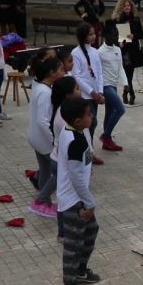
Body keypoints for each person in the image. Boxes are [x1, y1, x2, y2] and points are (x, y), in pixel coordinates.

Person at [58, 96, 101, 285]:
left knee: (91, 229)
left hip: (78, 197)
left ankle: (81, 271)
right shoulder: (75, 140)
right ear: (77, 120)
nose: (91, 116)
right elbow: (75, 177)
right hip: (73, 200)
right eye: (88, 114)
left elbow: (83, 158)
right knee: (72, 246)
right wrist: (88, 203)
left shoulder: (76, 132)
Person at [27, 56, 65, 218]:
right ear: (51, 73)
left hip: (35, 137)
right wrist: (54, 141)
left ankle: (45, 203)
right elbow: (43, 121)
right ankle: (40, 200)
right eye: (61, 71)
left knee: (45, 170)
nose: (63, 73)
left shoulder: (40, 87)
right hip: (43, 139)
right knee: (61, 171)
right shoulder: (45, 92)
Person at [50, 76, 81, 242]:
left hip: (61, 161)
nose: (80, 91)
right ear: (68, 95)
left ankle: (65, 230)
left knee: (65, 196)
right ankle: (64, 232)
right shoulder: (64, 117)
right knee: (65, 198)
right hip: (62, 162)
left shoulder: (67, 110)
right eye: (77, 88)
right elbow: (71, 146)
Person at [71, 22, 105, 165]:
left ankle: (89, 151)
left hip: (95, 95)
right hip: (85, 96)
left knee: (91, 125)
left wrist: (100, 91)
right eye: (90, 34)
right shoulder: (76, 53)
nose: (94, 36)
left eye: (94, 33)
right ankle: (86, 152)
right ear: (83, 36)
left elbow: (99, 73)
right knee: (89, 124)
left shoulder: (95, 52)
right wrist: (92, 93)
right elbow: (77, 76)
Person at [98, 20, 127, 151]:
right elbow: (98, 73)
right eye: (113, 35)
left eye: (117, 35)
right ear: (106, 36)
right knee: (120, 109)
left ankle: (106, 143)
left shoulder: (117, 50)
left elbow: (120, 67)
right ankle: (106, 136)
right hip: (105, 86)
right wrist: (99, 91)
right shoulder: (100, 52)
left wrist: (125, 83)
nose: (116, 38)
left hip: (114, 84)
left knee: (109, 114)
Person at [112, 0, 143, 105]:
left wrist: (134, 35)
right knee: (127, 73)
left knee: (129, 73)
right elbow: (112, 34)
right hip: (123, 49)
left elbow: (141, 33)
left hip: (133, 49)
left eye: (129, 6)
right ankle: (130, 93)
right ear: (121, 7)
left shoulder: (135, 19)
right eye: (125, 6)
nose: (127, 7)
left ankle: (127, 92)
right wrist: (118, 42)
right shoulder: (117, 20)